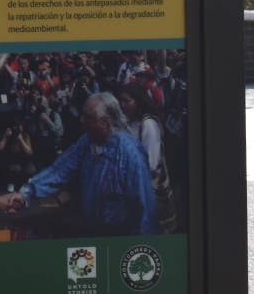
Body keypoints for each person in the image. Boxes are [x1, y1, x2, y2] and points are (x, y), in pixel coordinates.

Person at [11, 93, 158, 234]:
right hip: (91, 228)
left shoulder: (129, 153)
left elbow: (144, 206)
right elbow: (60, 170)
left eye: (87, 116)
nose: (81, 120)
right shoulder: (88, 141)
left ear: (104, 122)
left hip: (118, 235)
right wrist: (26, 193)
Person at [120, 82, 177, 233]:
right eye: (122, 101)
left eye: (127, 101)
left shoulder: (149, 124)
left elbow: (150, 162)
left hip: (150, 185)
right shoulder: (131, 123)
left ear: (138, 101)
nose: (123, 105)